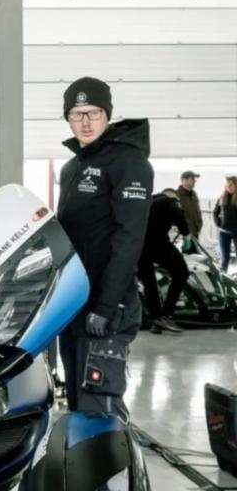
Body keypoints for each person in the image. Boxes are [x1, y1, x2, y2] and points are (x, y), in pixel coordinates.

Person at [56, 77, 153, 423]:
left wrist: (107, 305)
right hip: (75, 304)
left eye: (93, 112)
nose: (84, 122)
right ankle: (83, 474)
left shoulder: (128, 162)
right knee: (77, 402)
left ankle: (110, 476)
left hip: (107, 307)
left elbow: (129, 239)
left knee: (101, 408)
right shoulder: (72, 168)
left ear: (107, 115)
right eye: (76, 113)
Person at [137, 189, 189, 334]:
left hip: (138, 246)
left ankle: (156, 319)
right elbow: (177, 213)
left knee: (149, 282)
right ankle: (166, 314)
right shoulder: (169, 200)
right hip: (157, 243)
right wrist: (186, 234)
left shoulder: (146, 200)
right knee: (182, 273)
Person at [214, 175, 237, 272]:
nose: (228, 187)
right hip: (224, 232)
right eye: (227, 185)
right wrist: (218, 224)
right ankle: (223, 279)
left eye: (231, 185)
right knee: (224, 258)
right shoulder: (221, 198)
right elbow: (215, 212)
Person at [176, 170, 202, 244]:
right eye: (192, 179)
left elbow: (197, 211)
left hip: (195, 231)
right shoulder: (176, 195)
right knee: (186, 254)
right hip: (184, 234)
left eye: (194, 179)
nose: (194, 181)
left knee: (194, 255)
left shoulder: (194, 194)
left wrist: (199, 225)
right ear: (183, 180)